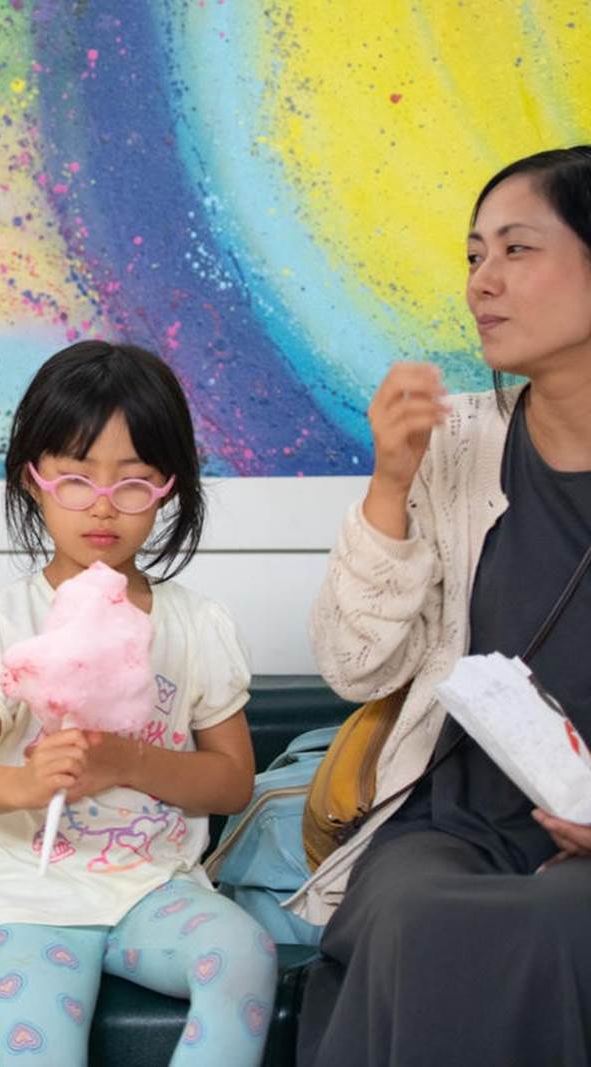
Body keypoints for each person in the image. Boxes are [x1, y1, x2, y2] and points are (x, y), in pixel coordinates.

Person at [296, 146, 591, 1066]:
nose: (481, 284)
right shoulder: (454, 439)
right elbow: (357, 667)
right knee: (415, 908)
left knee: (554, 921)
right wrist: (391, 483)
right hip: (457, 818)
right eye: (473, 256)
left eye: (515, 251)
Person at [0, 341, 275, 1066]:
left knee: (245, 954)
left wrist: (128, 760)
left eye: (132, 483)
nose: (102, 506)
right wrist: (27, 782)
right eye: (75, 479)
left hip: (155, 890)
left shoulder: (196, 625)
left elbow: (232, 779)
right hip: (29, 901)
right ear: (33, 480)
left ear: (168, 487)